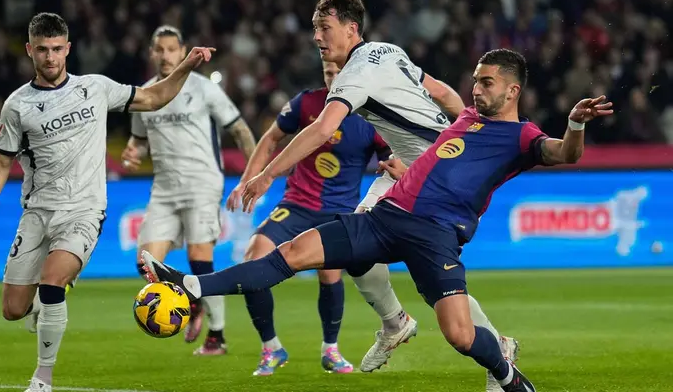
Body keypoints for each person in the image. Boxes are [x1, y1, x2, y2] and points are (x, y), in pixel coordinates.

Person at [142, 46, 613, 392]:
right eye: (476, 79)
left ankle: (506, 373)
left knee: (460, 334)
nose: (477, 87)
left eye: (487, 82)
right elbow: (441, 145)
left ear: (513, 90)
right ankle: (191, 285)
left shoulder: (521, 136)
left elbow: (563, 154)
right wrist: (411, 168)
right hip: (386, 218)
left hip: (434, 238)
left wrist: (574, 123)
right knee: (292, 252)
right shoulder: (465, 116)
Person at [0, 12, 215, 392]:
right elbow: (0, 164)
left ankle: (42, 377)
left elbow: (154, 97)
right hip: (37, 213)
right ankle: (43, 306)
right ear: (29, 50)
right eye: (42, 50)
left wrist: (187, 66)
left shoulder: (95, 87)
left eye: (57, 49)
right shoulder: (17, 106)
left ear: (68, 49)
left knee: (54, 279)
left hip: (84, 211)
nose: (50, 57)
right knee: (13, 310)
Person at [225, 60, 392, 375]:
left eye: (338, 73)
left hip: (338, 211)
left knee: (330, 275)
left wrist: (393, 169)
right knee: (253, 259)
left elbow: (393, 159)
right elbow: (271, 137)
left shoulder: (371, 117)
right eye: (328, 72)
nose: (332, 77)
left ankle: (331, 350)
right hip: (296, 205)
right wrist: (248, 178)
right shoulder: (306, 103)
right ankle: (271, 348)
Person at [120, 26, 256, 355]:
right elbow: (138, 139)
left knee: (200, 260)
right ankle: (190, 302)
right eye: (159, 49)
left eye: (171, 49)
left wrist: (254, 174)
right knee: (145, 263)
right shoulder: (146, 95)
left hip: (202, 182)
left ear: (182, 52)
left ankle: (217, 335)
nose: (165, 55)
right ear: (152, 54)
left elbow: (239, 129)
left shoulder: (203, 89)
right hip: (164, 189)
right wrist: (133, 151)